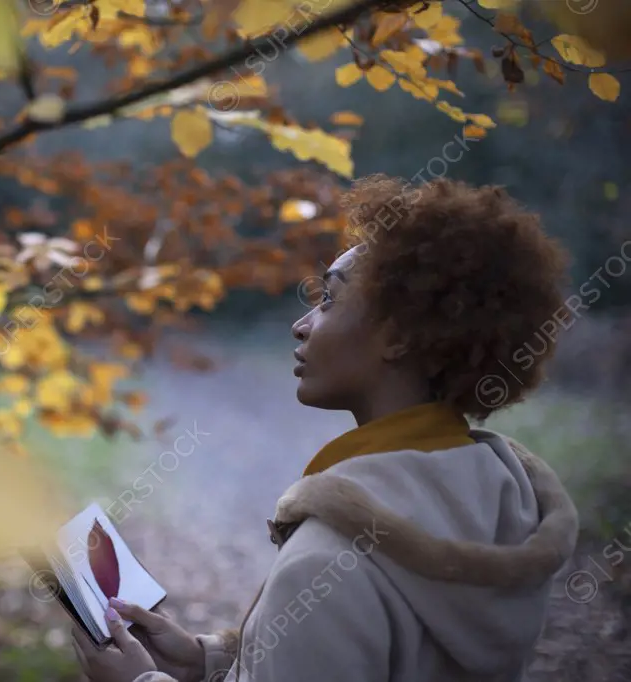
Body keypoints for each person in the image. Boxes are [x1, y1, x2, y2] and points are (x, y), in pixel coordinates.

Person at [70, 174, 580, 682]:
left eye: (330, 299)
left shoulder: (328, 561)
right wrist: (213, 661)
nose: (303, 323)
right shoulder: (499, 499)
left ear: (399, 336)